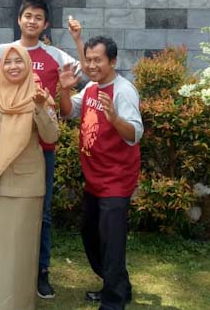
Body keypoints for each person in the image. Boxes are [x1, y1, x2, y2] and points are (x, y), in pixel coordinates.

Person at [0, 0, 83, 298]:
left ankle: (37, 273)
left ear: (45, 24)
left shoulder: (54, 55)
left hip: (38, 147)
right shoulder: (4, 51)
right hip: (0, 142)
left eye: (38, 17)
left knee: (39, 216)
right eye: (27, 16)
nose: (32, 21)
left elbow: (87, 71)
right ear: (19, 19)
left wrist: (78, 40)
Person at [0, 45, 60, 310]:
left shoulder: (40, 95)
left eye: (19, 61)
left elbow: (51, 136)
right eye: (8, 62)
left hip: (25, 186)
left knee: (21, 251)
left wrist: (40, 107)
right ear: (1, 66)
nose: (13, 66)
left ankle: (20, 303)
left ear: (28, 65)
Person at [58, 35, 143, 310]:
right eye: (89, 59)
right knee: (91, 235)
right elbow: (68, 112)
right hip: (94, 178)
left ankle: (113, 302)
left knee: (111, 242)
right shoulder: (91, 87)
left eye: (98, 60)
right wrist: (64, 90)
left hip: (116, 180)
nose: (92, 65)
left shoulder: (123, 91)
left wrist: (115, 118)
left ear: (113, 61)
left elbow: (135, 133)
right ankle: (117, 286)